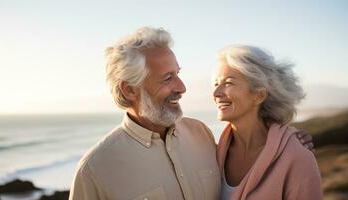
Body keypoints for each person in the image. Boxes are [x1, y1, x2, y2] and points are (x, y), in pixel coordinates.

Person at [69, 27, 314, 200]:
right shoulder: (95, 170)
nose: (182, 87)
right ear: (130, 90)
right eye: (168, 78)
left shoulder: (202, 135)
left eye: (178, 74)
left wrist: (289, 142)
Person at [214, 44, 322, 200]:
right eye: (216, 84)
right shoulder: (210, 152)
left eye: (228, 83)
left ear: (259, 95)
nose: (216, 93)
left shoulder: (297, 157)